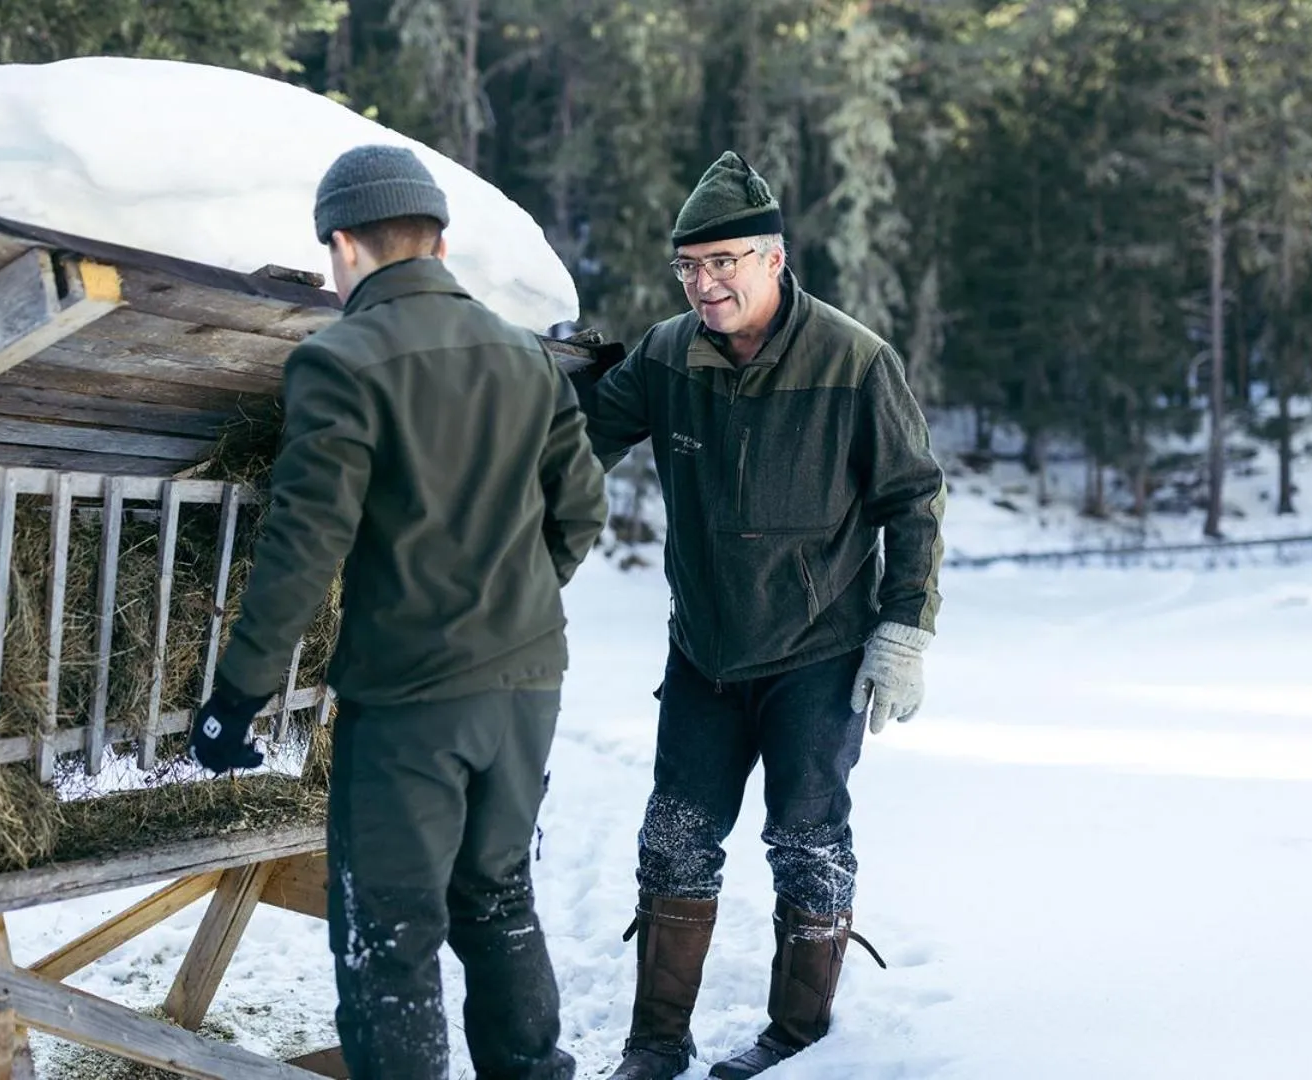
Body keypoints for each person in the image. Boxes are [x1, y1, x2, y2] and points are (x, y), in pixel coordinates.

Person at [187, 143, 608, 1080]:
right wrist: (514, 606)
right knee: (497, 898)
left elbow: (304, 548)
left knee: (390, 930)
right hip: (528, 688)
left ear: (341, 247)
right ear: (441, 244)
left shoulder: (341, 362)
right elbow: (581, 511)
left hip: (412, 701)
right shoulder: (526, 357)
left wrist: (236, 696)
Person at [573, 151, 947, 1080]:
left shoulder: (855, 361)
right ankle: (655, 1045)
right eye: (689, 269)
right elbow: (574, 438)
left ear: (774, 258)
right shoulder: (667, 355)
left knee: (807, 842)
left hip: (818, 654)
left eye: (723, 262)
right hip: (704, 652)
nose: (705, 284)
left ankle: (796, 1042)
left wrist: (906, 628)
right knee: (674, 841)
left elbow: (914, 497)